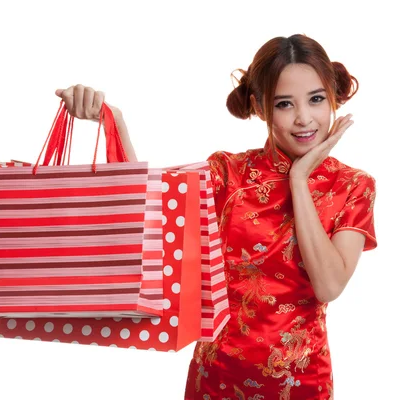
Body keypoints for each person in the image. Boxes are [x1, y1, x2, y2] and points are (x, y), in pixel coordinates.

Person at [55, 33, 377, 400]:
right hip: (217, 379)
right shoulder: (227, 173)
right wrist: (113, 122)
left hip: (302, 384)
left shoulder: (353, 185)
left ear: (333, 97)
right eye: (285, 104)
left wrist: (299, 179)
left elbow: (329, 286)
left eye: (316, 99)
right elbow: (149, 210)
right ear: (259, 106)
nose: (304, 118)